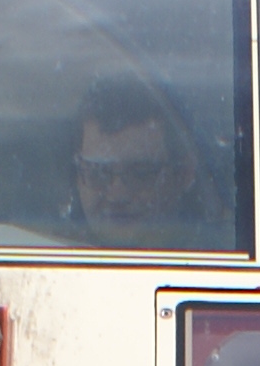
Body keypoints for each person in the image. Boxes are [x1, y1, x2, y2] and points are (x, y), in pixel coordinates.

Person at [67, 72, 219, 245]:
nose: (117, 196)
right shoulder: (49, 244)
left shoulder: (220, 254)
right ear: (77, 176)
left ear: (184, 174)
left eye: (140, 174)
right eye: (98, 173)